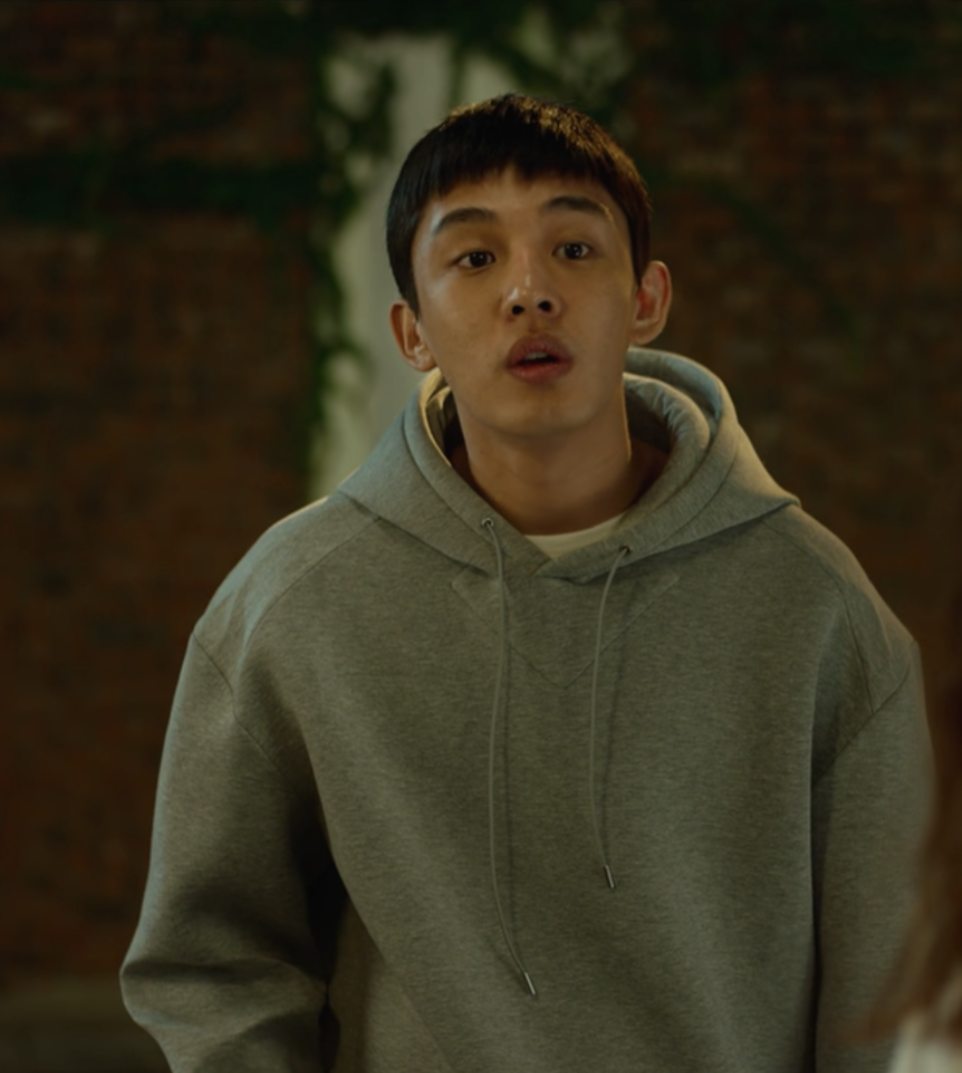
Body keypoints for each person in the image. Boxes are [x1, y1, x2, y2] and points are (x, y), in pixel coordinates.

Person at [121, 93, 930, 1072]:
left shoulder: (816, 607)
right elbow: (212, 963)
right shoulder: (292, 604)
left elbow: (892, 996)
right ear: (411, 331)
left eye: (573, 249)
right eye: (473, 258)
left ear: (646, 298)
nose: (528, 291)